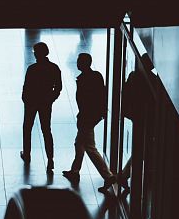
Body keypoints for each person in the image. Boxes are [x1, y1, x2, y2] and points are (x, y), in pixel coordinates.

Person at [62, 52, 115, 192]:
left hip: (87, 117)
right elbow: (101, 96)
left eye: (79, 61)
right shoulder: (96, 76)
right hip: (92, 116)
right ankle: (75, 171)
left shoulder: (84, 79)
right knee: (79, 143)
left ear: (84, 63)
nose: (77, 63)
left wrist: (82, 117)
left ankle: (108, 176)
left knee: (90, 147)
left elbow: (84, 101)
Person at [116, 53, 157, 194]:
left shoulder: (133, 76)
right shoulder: (152, 80)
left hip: (137, 116)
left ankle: (125, 174)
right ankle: (127, 174)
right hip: (147, 118)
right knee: (144, 147)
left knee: (142, 147)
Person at [20, 41, 62, 171]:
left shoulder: (32, 69)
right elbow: (58, 87)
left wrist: (26, 100)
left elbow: (26, 87)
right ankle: (50, 159)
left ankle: (27, 154)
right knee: (46, 130)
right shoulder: (54, 68)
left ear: (37, 54)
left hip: (32, 102)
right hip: (45, 103)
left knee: (27, 128)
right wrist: (50, 99)